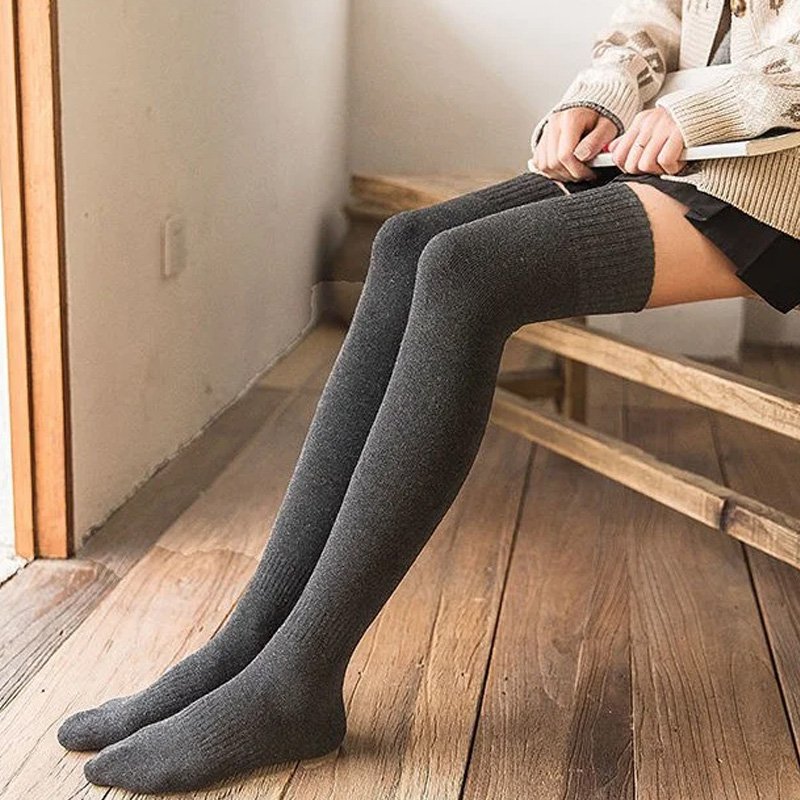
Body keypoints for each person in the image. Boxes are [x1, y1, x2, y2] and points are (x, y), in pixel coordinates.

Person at [58, 0, 800, 793]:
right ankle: (247, 646)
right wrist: (602, 95)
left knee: (467, 272)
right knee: (407, 242)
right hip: (682, 144)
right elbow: (659, 16)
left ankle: (295, 681)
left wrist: (710, 108)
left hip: (771, 168)